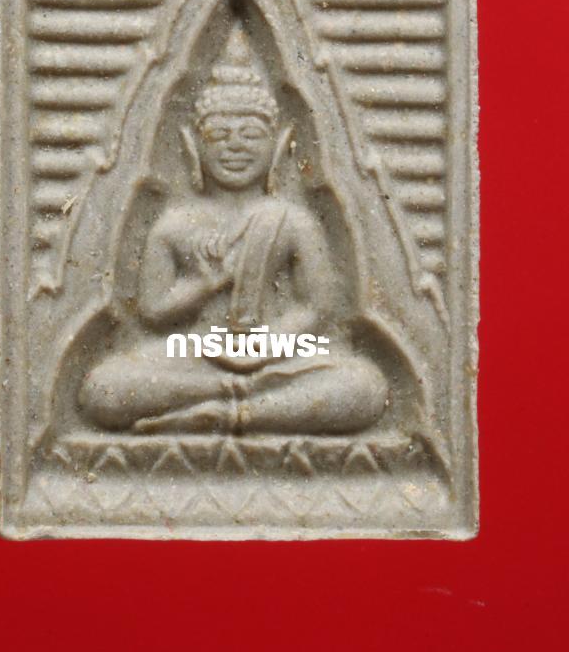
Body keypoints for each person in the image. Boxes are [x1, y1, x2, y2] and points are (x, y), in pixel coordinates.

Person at [79, 27, 388, 434]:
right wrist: (202, 285)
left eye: (251, 135)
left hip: (281, 353)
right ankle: (238, 401)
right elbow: (152, 311)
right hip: (193, 352)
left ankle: (234, 414)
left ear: (279, 145)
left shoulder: (293, 220)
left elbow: (315, 307)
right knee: (104, 387)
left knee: (364, 385)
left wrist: (266, 345)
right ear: (193, 146)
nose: (235, 146)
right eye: (219, 135)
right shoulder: (174, 224)